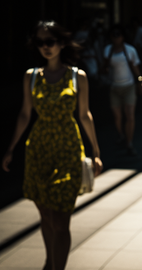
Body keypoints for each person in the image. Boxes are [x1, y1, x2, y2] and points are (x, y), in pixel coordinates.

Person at [2, 20, 103, 270]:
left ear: (61, 43)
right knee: (46, 216)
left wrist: (96, 151)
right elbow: (25, 114)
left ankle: (58, 267)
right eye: (40, 42)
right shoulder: (31, 76)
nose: (45, 47)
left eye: (50, 41)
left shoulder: (77, 76)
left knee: (61, 220)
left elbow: (84, 115)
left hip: (68, 149)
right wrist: (10, 149)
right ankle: (50, 262)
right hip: (38, 149)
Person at [103, 23, 142, 156]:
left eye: (118, 35)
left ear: (123, 37)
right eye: (114, 35)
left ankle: (129, 142)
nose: (116, 38)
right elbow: (104, 67)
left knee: (130, 115)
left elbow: (135, 67)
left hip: (129, 86)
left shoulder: (130, 50)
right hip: (115, 86)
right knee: (117, 116)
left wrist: (140, 81)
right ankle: (121, 134)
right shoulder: (108, 50)